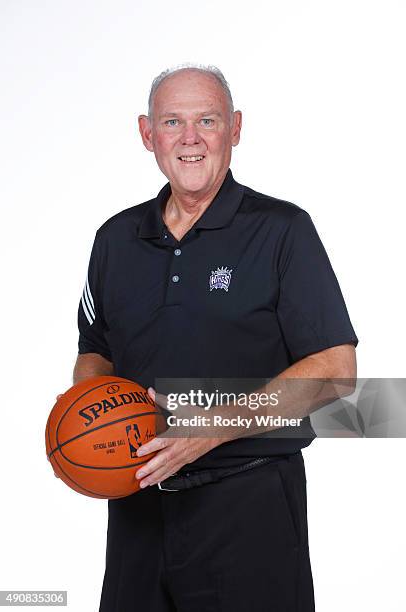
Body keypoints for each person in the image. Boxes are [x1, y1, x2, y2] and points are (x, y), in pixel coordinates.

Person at [74, 64, 358, 611]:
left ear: (235, 128)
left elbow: (336, 369)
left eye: (207, 120)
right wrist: (90, 420)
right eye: (172, 121)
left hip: (249, 506)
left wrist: (209, 428)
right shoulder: (114, 239)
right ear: (146, 133)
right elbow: (95, 350)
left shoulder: (282, 230)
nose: (190, 139)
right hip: (137, 506)